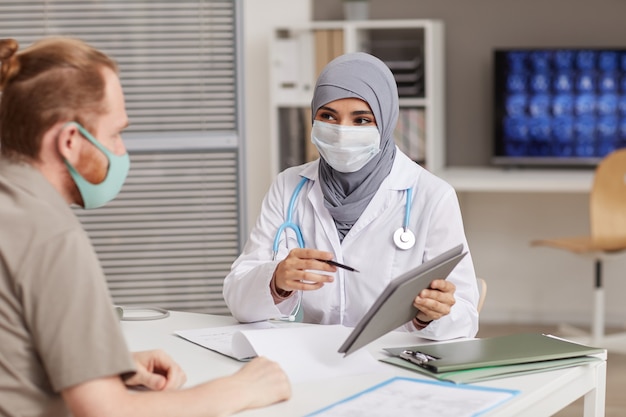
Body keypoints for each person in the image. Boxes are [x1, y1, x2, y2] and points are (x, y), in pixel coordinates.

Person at [0, 36, 290, 417]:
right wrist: (241, 389)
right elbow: (106, 412)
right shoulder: (51, 235)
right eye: (115, 134)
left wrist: (100, 364)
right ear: (71, 140)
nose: (120, 151)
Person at [223, 52, 479, 340]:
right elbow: (238, 301)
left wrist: (430, 315)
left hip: (389, 362)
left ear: (386, 120)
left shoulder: (432, 196)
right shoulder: (288, 187)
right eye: (328, 116)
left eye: (361, 120)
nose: (342, 132)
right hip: (307, 360)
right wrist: (276, 282)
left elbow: (466, 318)